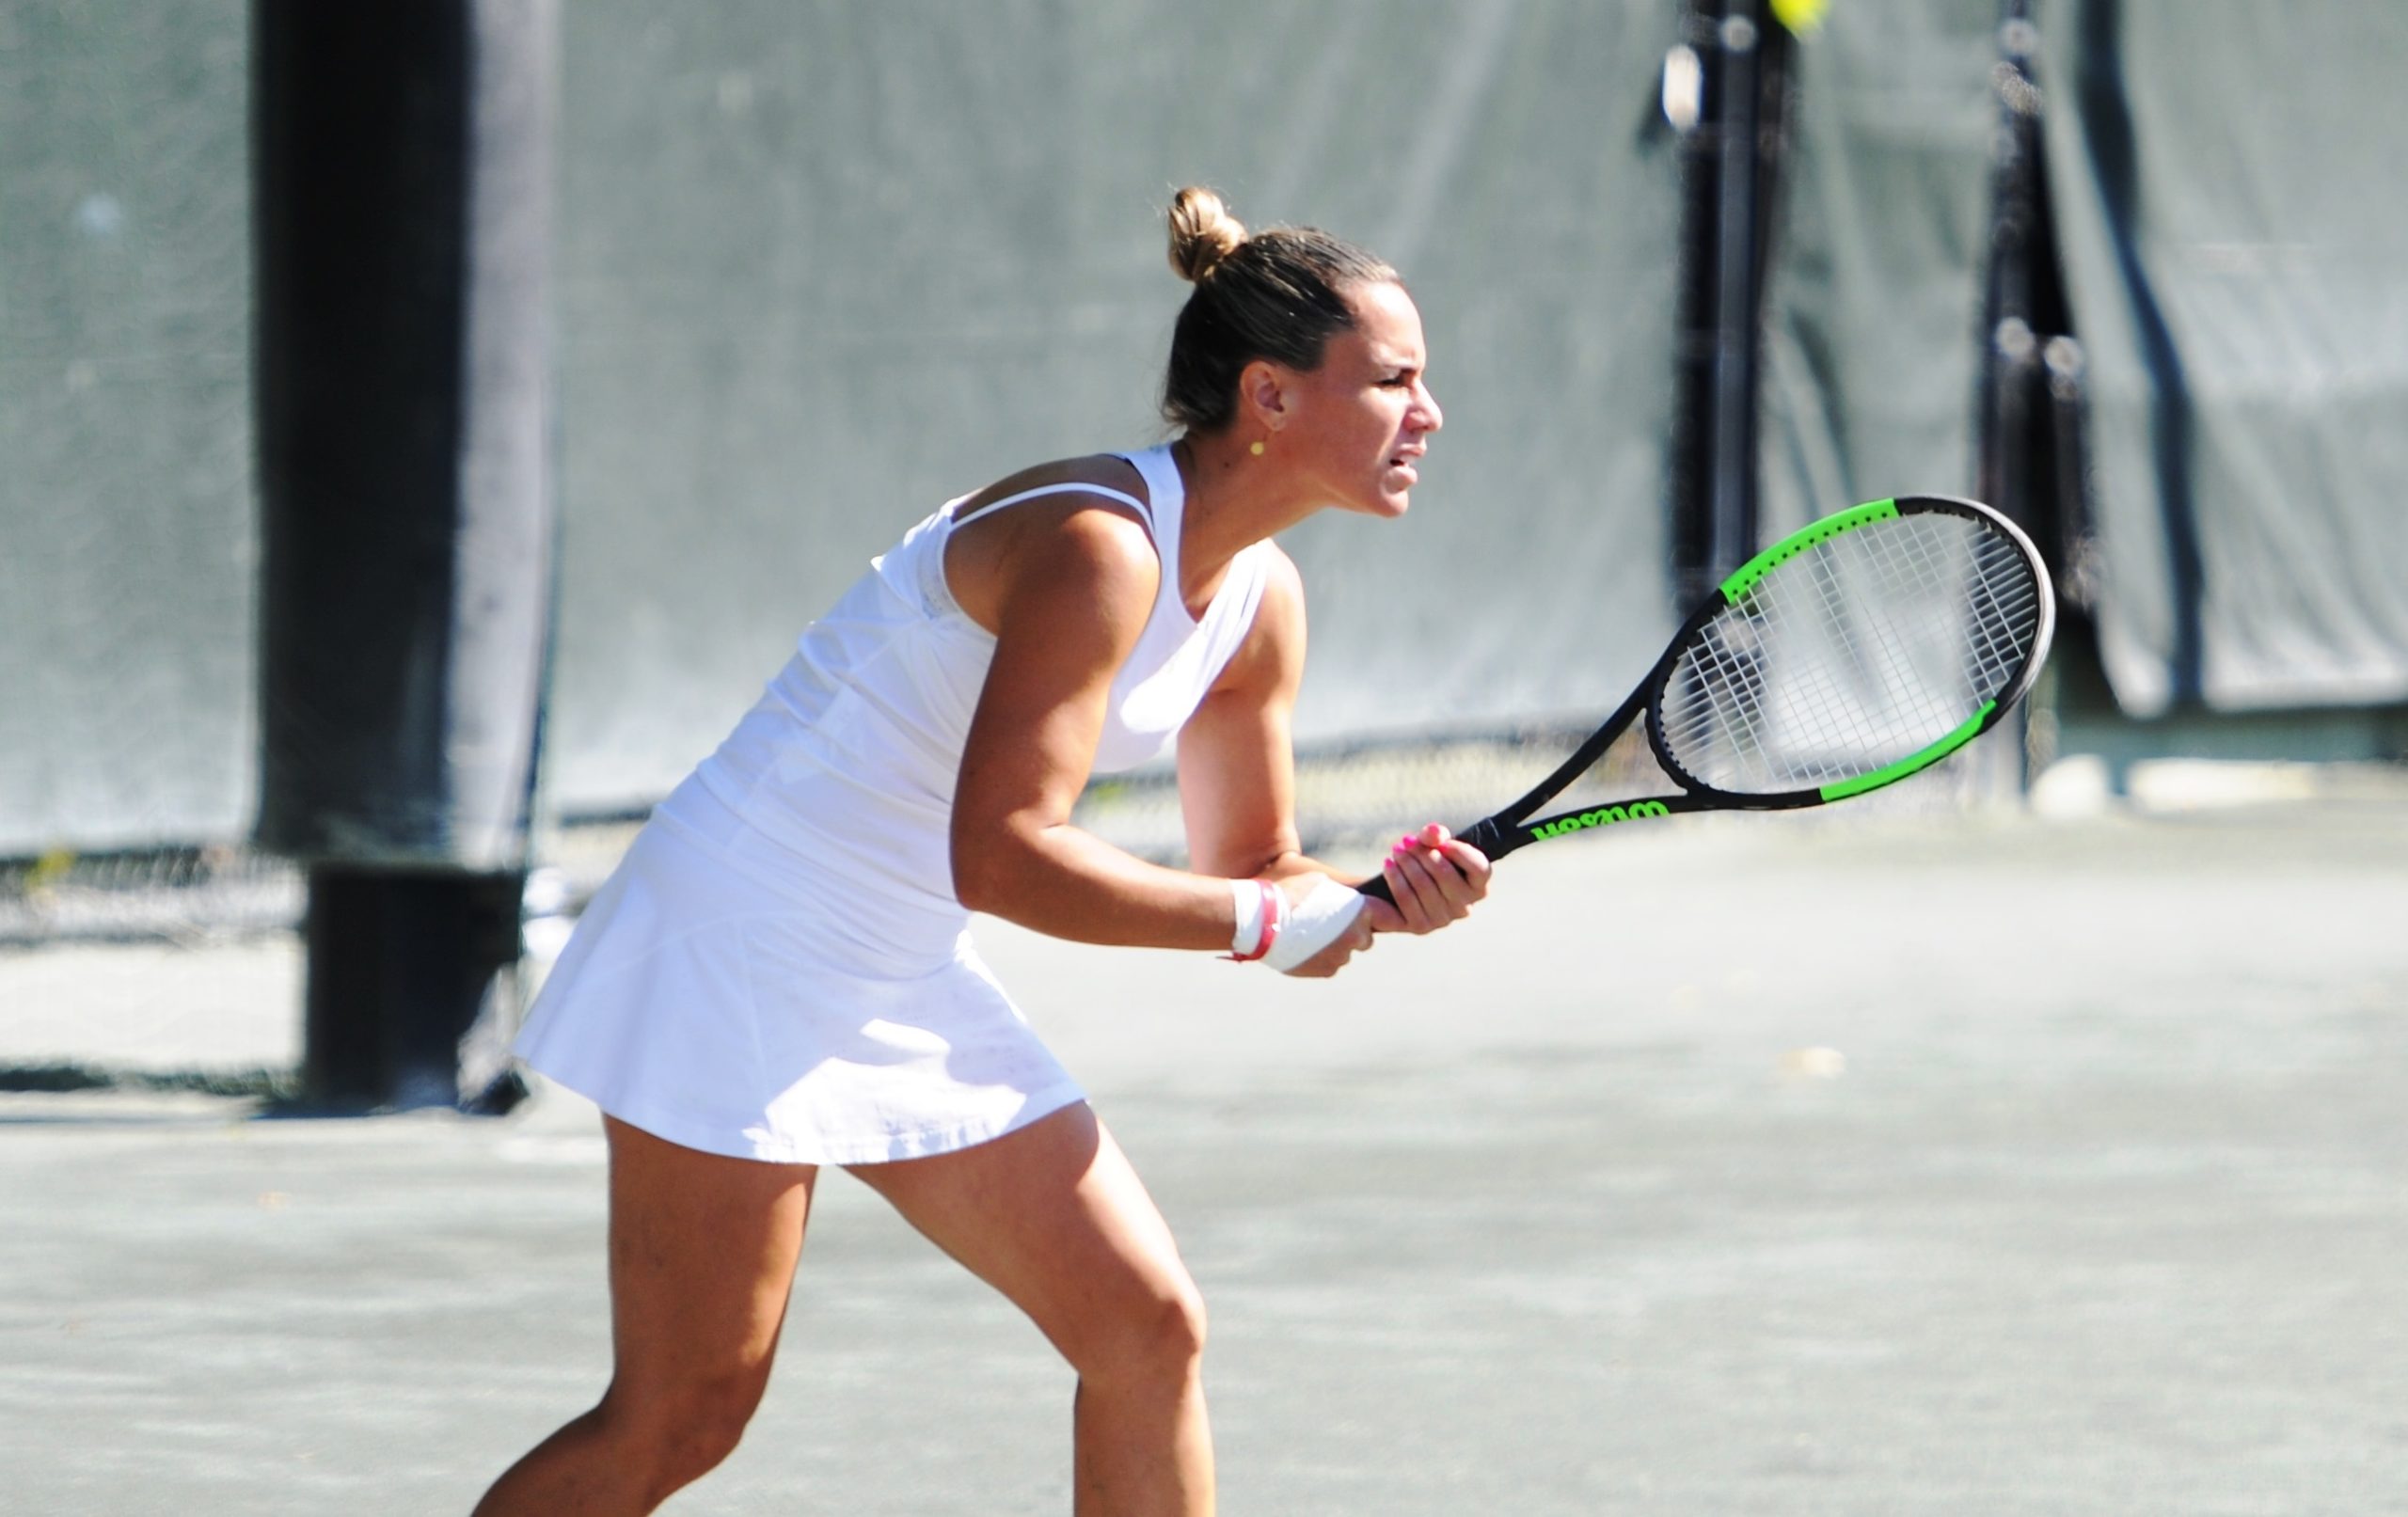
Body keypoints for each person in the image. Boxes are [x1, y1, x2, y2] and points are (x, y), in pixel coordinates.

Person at [474, 186, 1490, 1517]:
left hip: (897, 960)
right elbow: (1006, 858)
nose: (1428, 414)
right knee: (684, 1412)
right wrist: (1262, 920)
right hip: (740, 932)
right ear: (1272, 396)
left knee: (1147, 1326)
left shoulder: (1260, 608)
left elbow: (1258, 865)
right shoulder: (1100, 548)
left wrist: (1373, 900)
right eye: (1394, 381)